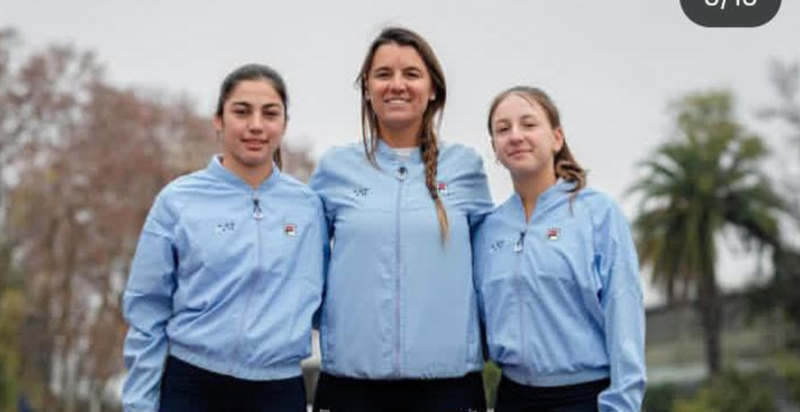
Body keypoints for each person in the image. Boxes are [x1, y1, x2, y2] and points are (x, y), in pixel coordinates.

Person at [121, 63, 326, 412]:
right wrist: (139, 403)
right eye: (242, 112)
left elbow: (327, 303)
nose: (256, 125)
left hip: (278, 391)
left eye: (270, 113)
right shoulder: (178, 201)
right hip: (192, 386)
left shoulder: (308, 208)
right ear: (219, 120)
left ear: (284, 124)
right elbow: (147, 307)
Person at [309, 26, 493, 412]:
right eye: (383, 74)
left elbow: (491, 271)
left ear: (432, 90)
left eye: (411, 74)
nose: (397, 85)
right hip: (350, 389)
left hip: (449, 391)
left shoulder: (465, 168)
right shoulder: (334, 169)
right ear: (366, 89)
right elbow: (303, 266)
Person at [475, 86, 646, 412]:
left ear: (556, 138)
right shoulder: (488, 229)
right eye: (503, 129)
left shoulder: (598, 214)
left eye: (528, 124)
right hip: (512, 397)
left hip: (585, 398)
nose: (515, 136)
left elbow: (624, 316)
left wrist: (622, 405)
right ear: (495, 148)